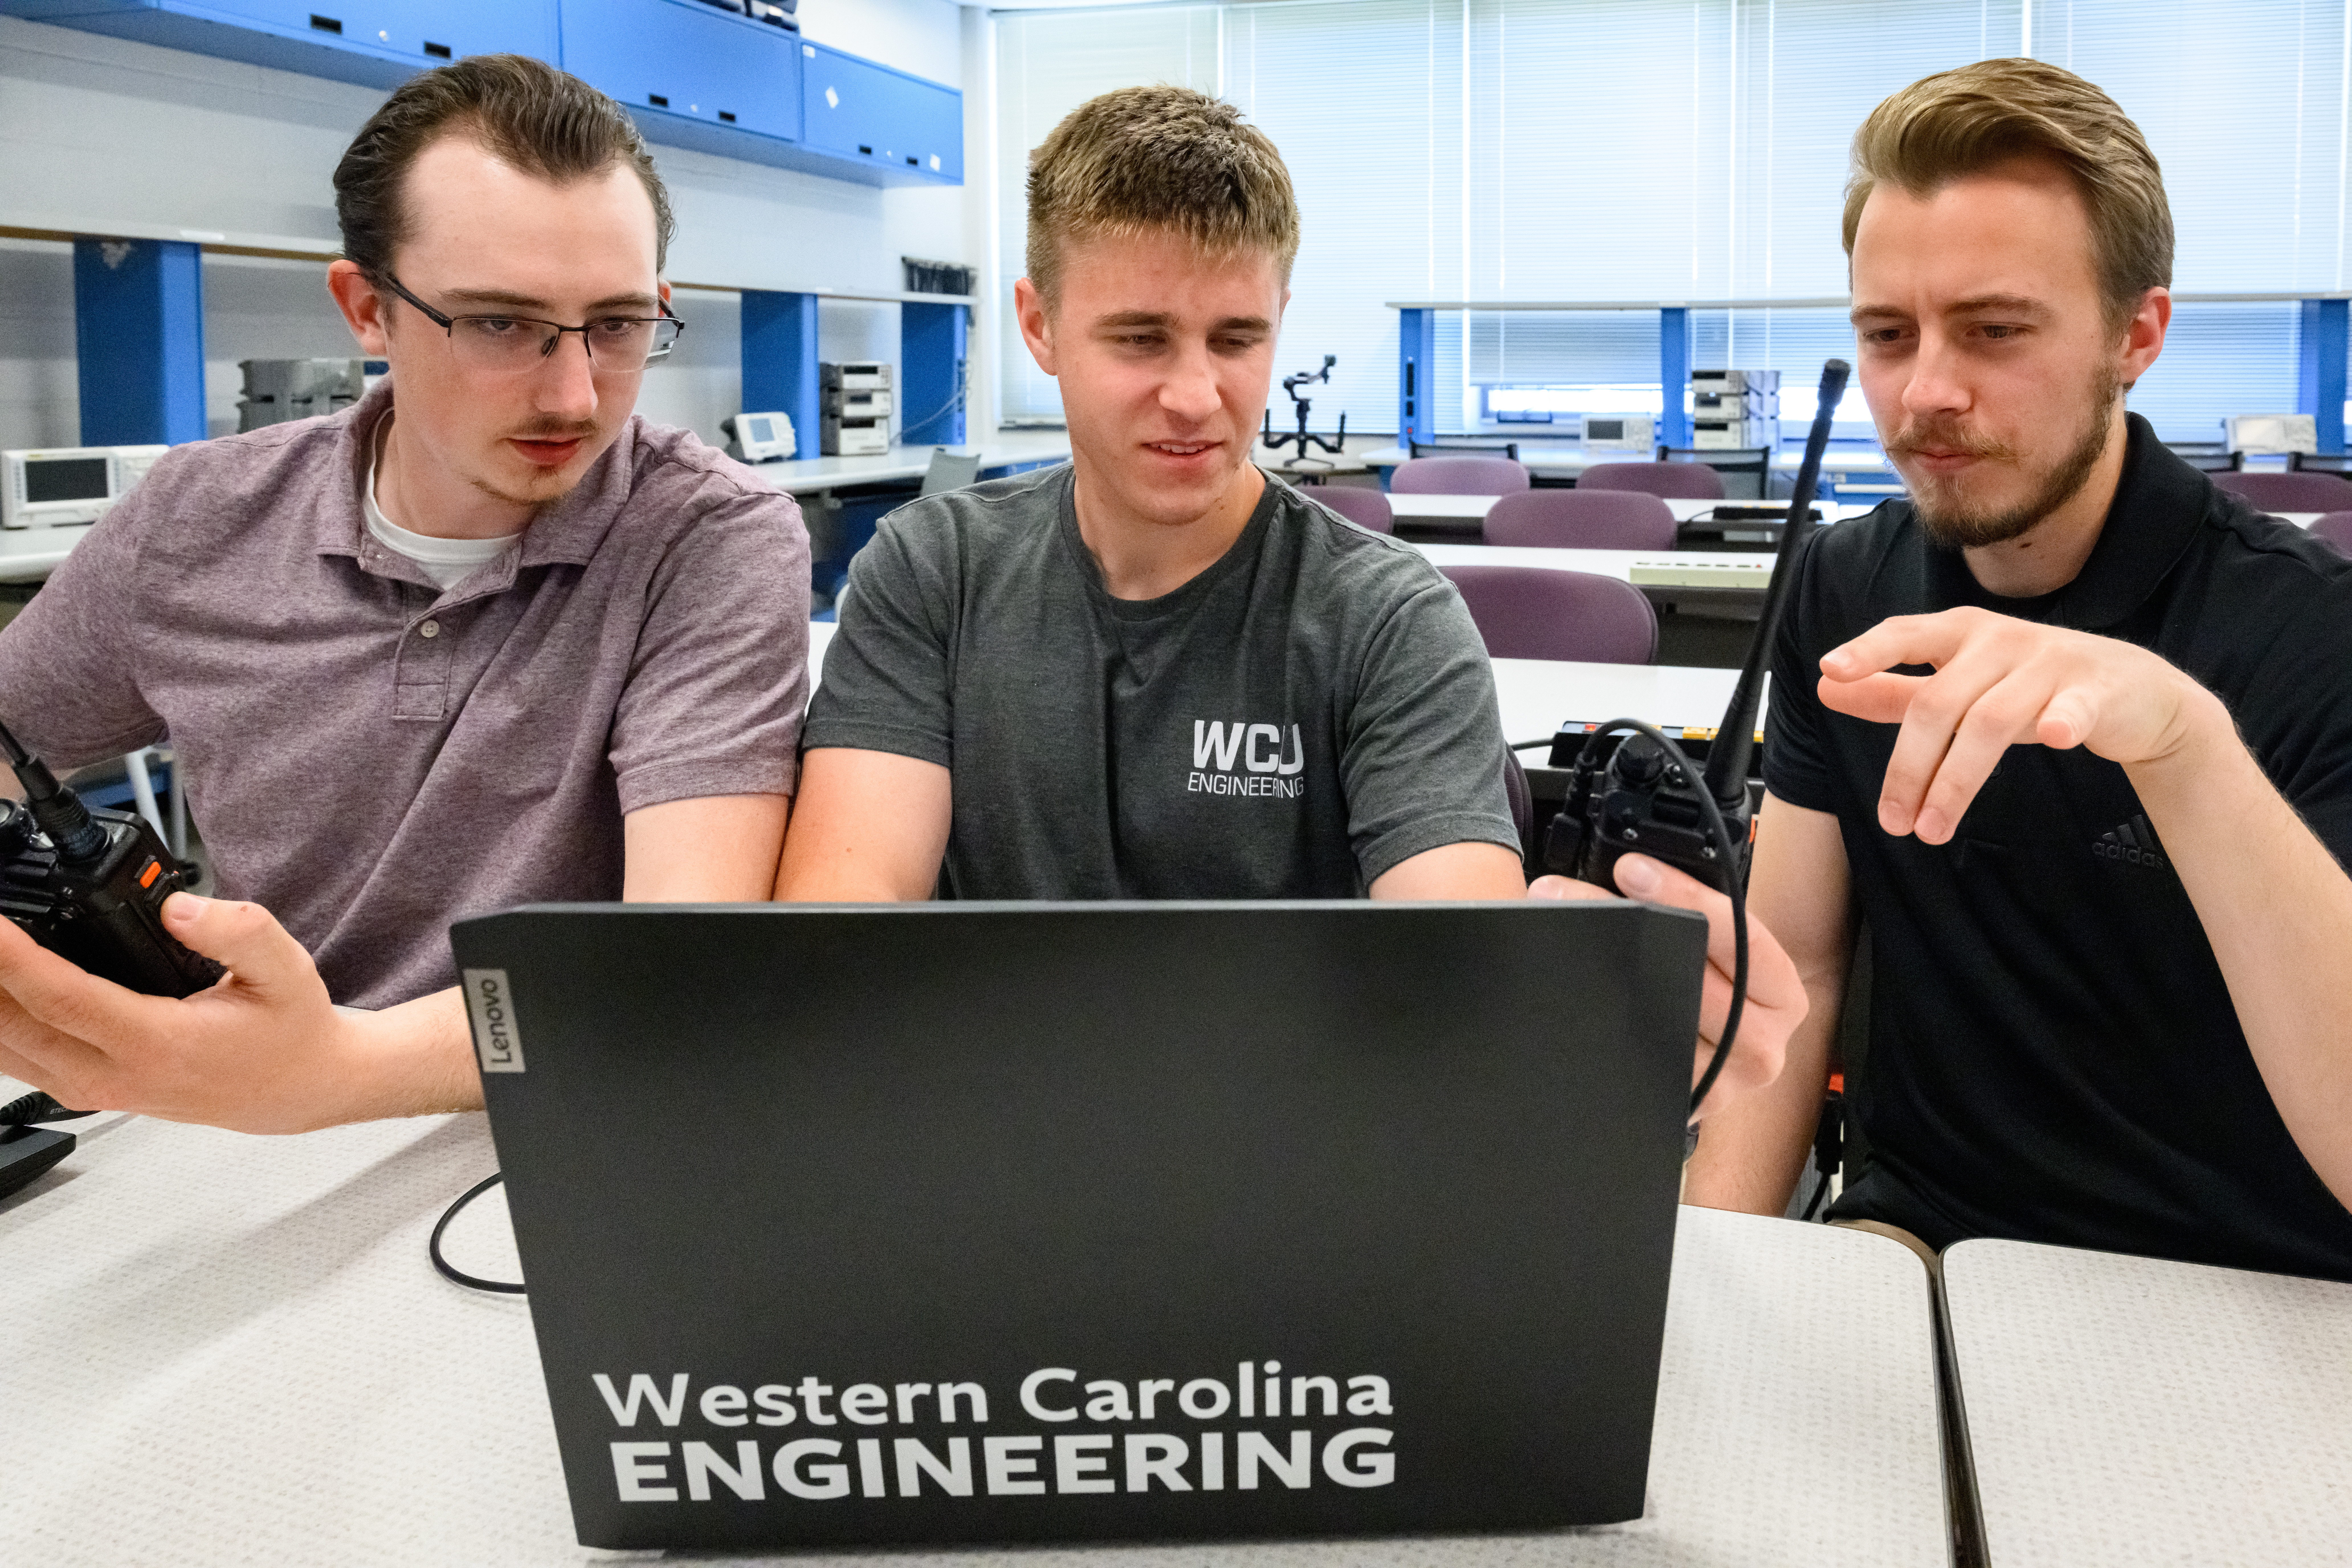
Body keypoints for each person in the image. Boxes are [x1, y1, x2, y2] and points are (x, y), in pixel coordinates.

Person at [778, 85, 1802, 1106]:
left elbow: (1459, 966)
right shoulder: (932, 573)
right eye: (1139, 339)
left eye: (1235, 340)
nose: (1194, 396)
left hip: (1292, 1168)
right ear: (1039, 327)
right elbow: (840, 942)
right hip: (983, 1138)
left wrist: (1574, 1042)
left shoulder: (1386, 620)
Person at [0, 56, 810, 1133]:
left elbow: (674, 954)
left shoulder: (708, 536)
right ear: (366, 310)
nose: (574, 396)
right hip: (226, 1111)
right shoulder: (198, 518)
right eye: (498, 324)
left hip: (561, 1105)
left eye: (616, 326)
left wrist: (333, 1071)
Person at [1683, 58, 2352, 1279]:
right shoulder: (1843, 591)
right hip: (1927, 1243)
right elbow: (1799, 972)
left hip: (2257, 1282)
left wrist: (2185, 745)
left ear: (2137, 333)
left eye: (1995, 331)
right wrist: (1700, 1285)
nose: (1926, 391)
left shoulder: (2310, 634)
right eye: (1888, 335)